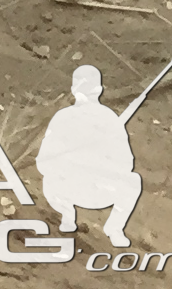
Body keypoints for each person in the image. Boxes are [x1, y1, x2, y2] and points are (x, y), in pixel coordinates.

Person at [35, 63, 144, 246]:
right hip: (68, 187)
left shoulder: (108, 120)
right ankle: (67, 217)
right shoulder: (65, 118)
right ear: (100, 89)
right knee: (51, 180)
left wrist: (100, 164)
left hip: (96, 188)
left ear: (73, 89)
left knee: (133, 180)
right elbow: (44, 162)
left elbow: (126, 163)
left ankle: (113, 228)